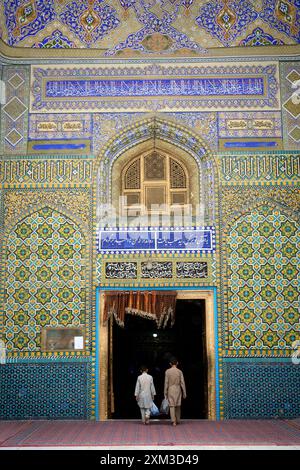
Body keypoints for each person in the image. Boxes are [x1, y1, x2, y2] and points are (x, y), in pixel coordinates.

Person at [164, 358, 186, 426]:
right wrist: (184, 392)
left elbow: (166, 383)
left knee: (172, 406)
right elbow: (182, 383)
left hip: (170, 389)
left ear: (170, 364)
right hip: (178, 389)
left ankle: (173, 421)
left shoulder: (167, 371)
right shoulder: (179, 371)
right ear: (177, 363)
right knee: (178, 405)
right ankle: (178, 420)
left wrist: (165, 392)